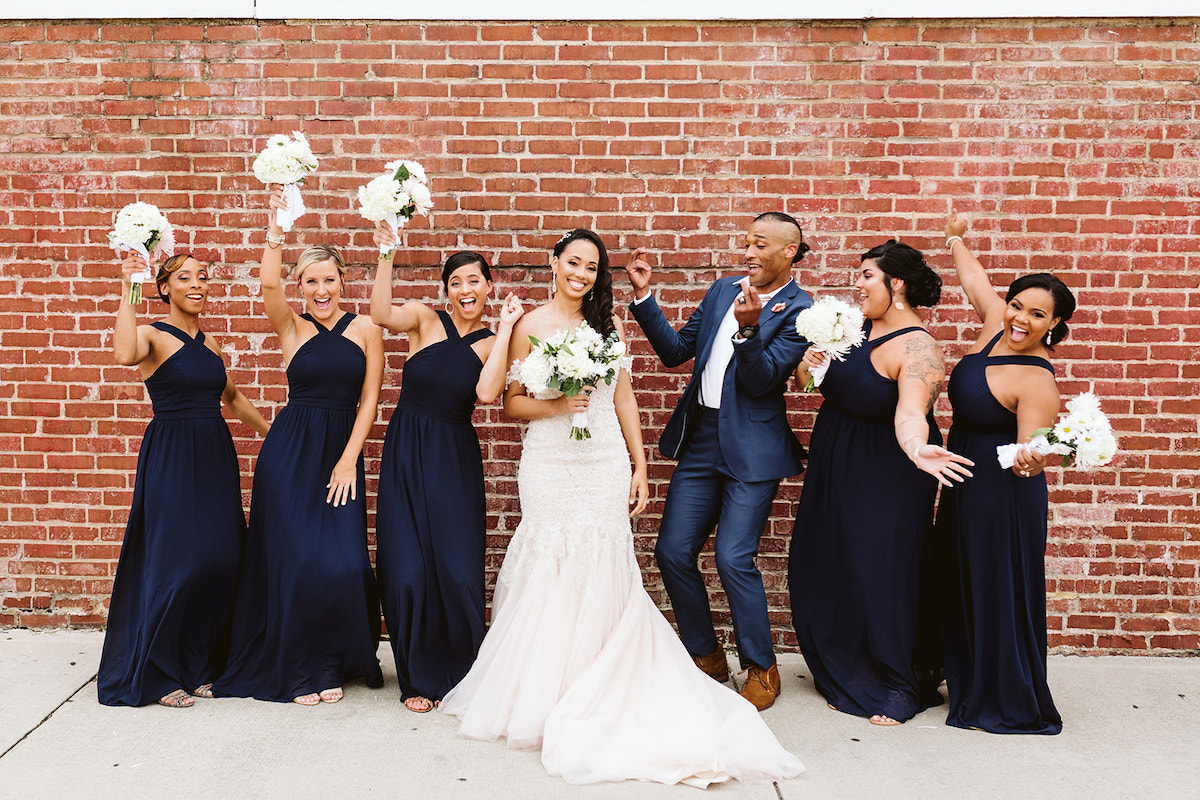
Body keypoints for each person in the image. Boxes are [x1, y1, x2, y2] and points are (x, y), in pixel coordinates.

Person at [439, 229, 805, 787]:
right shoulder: (529, 326)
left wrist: (639, 465)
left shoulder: (606, 324)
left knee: (607, 562)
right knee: (552, 560)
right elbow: (509, 403)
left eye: (592, 267)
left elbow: (624, 395)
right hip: (551, 462)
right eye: (574, 263)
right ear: (555, 263)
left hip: (604, 458)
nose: (582, 275)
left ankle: (618, 676)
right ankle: (546, 688)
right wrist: (556, 402)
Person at [624, 212, 813, 710]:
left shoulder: (802, 308)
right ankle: (705, 656)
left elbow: (763, 381)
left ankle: (760, 666)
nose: (747, 252)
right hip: (702, 440)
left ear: (789, 251)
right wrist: (646, 299)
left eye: (759, 244)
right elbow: (676, 352)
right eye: (746, 242)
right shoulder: (722, 289)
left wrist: (750, 333)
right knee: (673, 550)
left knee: (732, 556)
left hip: (753, 448)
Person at [788, 241, 973, 726]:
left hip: (889, 469)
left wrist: (916, 447)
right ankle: (849, 665)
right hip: (837, 460)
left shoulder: (918, 346)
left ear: (897, 284)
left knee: (882, 569)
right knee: (834, 560)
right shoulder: (855, 330)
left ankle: (898, 682)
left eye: (867, 275)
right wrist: (812, 363)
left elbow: (911, 413)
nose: (858, 283)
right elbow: (808, 383)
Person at [215, 191, 385, 705]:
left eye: (328, 279)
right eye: (310, 281)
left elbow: (371, 400)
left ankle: (332, 658)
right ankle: (299, 670)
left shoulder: (365, 327)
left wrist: (350, 458)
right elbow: (268, 282)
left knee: (342, 564)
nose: (320, 289)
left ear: (341, 281)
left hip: (341, 452)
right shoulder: (291, 325)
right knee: (295, 563)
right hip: (289, 456)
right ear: (302, 287)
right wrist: (274, 229)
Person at [98, 252, 270, 708]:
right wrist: (128, 285)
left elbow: (232, 398)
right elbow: (121, 353)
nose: (197, 284)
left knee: (220, 559)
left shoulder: (211, 345)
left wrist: (276, 436)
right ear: (164, 288)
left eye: (203, 278)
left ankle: (199, 667)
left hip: (214, 454)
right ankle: (159, 672)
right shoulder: (151, 335)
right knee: (177, 564)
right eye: (185, 278)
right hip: (172, 456)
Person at [370, 223, 522, 713]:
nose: (465, 290)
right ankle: (417, 677)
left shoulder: (493, 340)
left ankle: (464, 672)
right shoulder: (423, 320)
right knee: (407, 571)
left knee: (457, 571)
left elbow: (486, 393)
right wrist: (387, 248)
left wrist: (503, 332)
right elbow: (377, 313)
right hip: (405, 449)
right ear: (446, 290)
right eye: (456, 282)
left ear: (489, 287)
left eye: (474, 280)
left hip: (453, 455)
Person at [934, 210, 1075, 735]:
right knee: (959, 574)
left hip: (1001, 493)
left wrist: (1032, 459)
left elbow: (1030, 454)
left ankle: (999, 694)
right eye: (1017, 305)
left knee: (995, 583)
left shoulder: (1038, 380)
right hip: (966, 481)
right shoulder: (997, 325)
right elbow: (975, 280)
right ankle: (966, 673)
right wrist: (955, 239)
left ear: (1055, 324)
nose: (1021, 319)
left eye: (1037, 315)